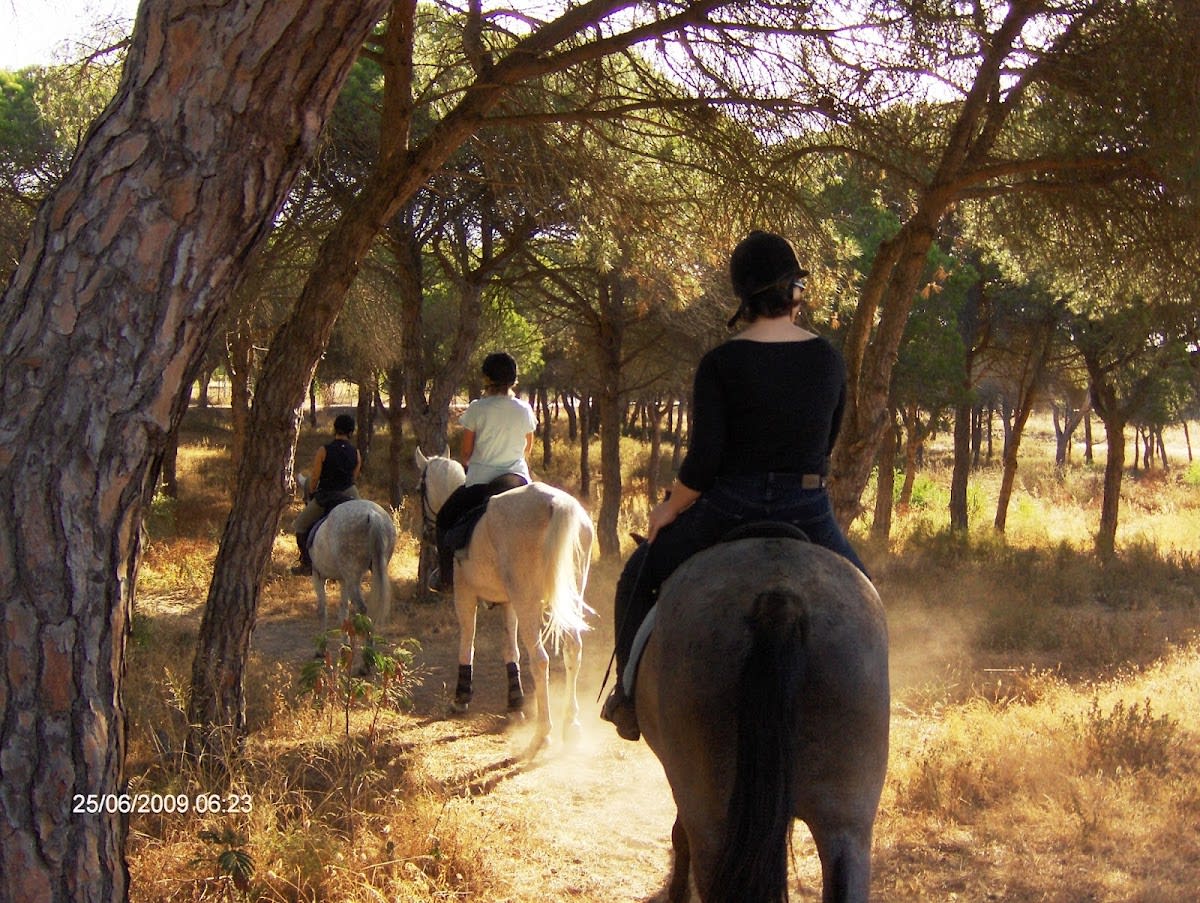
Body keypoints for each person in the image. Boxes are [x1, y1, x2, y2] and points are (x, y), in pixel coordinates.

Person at [600, 230, 870, 741]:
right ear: (794, 292)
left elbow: (703, 464)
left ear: (742, 299)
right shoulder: (829, 360)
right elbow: (827, 444)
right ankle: (869, 710)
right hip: (808, 509)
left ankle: (628, 698)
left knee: (636, 574)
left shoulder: (720, 364)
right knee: (866, 599)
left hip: (729, 505)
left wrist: (667, 512)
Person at [429, 351, 538, 593]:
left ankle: (446, 579)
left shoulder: (477, 409)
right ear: (513, 380)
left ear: (486, 379)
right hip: (517, 480)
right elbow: (528, 447)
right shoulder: (524, 408)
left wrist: (474, 461)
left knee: (444, 518)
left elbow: (466, 451)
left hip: (481, 483)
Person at [290, 413, 362, 576]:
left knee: (300, 526)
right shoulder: (356, 453)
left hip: (327, 494)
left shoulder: (323, 450)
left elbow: (315, 477)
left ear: (335, 429)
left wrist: (312, 489)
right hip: (349, 492)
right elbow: (354, 476)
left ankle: (306, 564)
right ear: (351, 432)